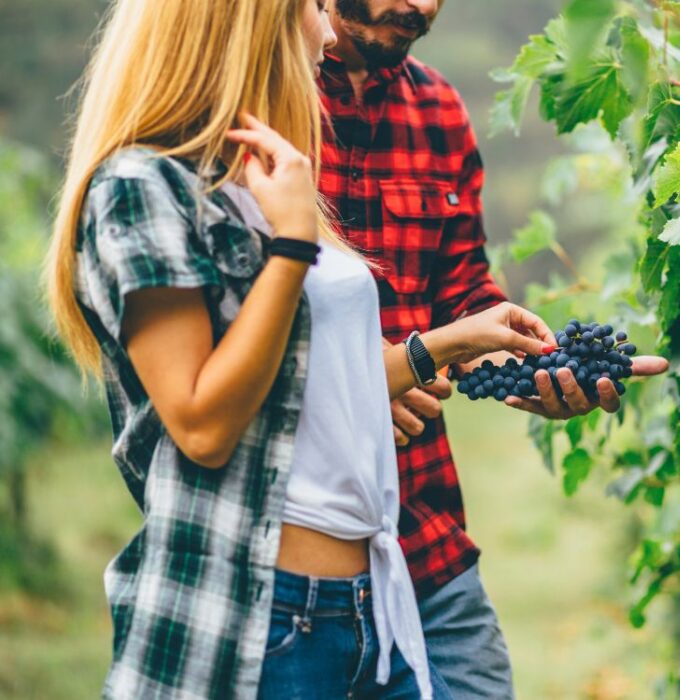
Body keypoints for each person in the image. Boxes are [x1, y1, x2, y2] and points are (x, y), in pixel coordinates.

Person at [44, 1, 559, 698]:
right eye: (313, 7)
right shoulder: (145, 187)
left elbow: (311, 379)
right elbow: (202, 426)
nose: (326, 28)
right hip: (271, 609)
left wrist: (464, 343)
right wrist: (292, 244)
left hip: (375, 594)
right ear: (251, 24)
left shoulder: (268, 174)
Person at [317, 1, 670, 697]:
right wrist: (368, 379)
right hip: (296, 553)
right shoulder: (256, 98)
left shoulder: (438, 110)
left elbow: (463, 297)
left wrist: (532, 370)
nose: (421, 7)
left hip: (423, 537)